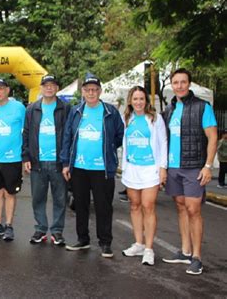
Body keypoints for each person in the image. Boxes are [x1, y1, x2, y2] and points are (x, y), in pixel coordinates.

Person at [61, 73, 124, 258]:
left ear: (100, 91)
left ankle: (105, 242)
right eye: (88, 90)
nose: (91, 93)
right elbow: (68, 138)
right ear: (83, 92)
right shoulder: (76, 111)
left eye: (94, 90)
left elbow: (119, 136)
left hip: (102, 169)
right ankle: (83, 239)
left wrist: (108, 149)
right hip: (79, 167)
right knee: (80, 205)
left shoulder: (110, 112)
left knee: (103, 206)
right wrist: (66, 163)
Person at [161, 68, 217, 275]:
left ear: (189, 84)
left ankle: (196, 257)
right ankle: (184, 251)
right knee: (181, 207)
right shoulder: (169, 109)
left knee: (194, 210)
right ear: (172, 86)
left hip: (194, 166)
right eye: (176, 82)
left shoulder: (203, 107)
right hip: (174, 166)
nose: (180, 86)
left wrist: (208, 166)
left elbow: (212, 138)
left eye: (183, 82)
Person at [120, 86, 167, 266]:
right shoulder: (127, 119)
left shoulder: (155, 119)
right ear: (130, 101)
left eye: (141, 99)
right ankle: (138, 243)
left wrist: (163, 168)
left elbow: (163, 142)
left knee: (148, 206)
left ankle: (149, 249)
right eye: (135, 99)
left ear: (146, 101)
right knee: (135, 206)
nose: (138, 102)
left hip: (150, 169)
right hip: (132, 169)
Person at [23, 75, 69, 245]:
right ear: (41, 88)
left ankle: (57, 231)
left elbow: (69, 135)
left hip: (58, 161)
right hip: (37, 161)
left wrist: (66, 161)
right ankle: (40, 229)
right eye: (46, 85)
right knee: (38, 198)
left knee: (60, 199)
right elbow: (26, 133)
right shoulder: (32, 109)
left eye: (52, 85)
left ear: (57, 88)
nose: (49, 88)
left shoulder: (65, 108)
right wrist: (26, 156)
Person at [0, 79, 26, 241]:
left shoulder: (19, 108)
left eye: (1, 89)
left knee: (9, 193)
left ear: (7, 90)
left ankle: (9, 226)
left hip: (13, 158)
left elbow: (25, 130)